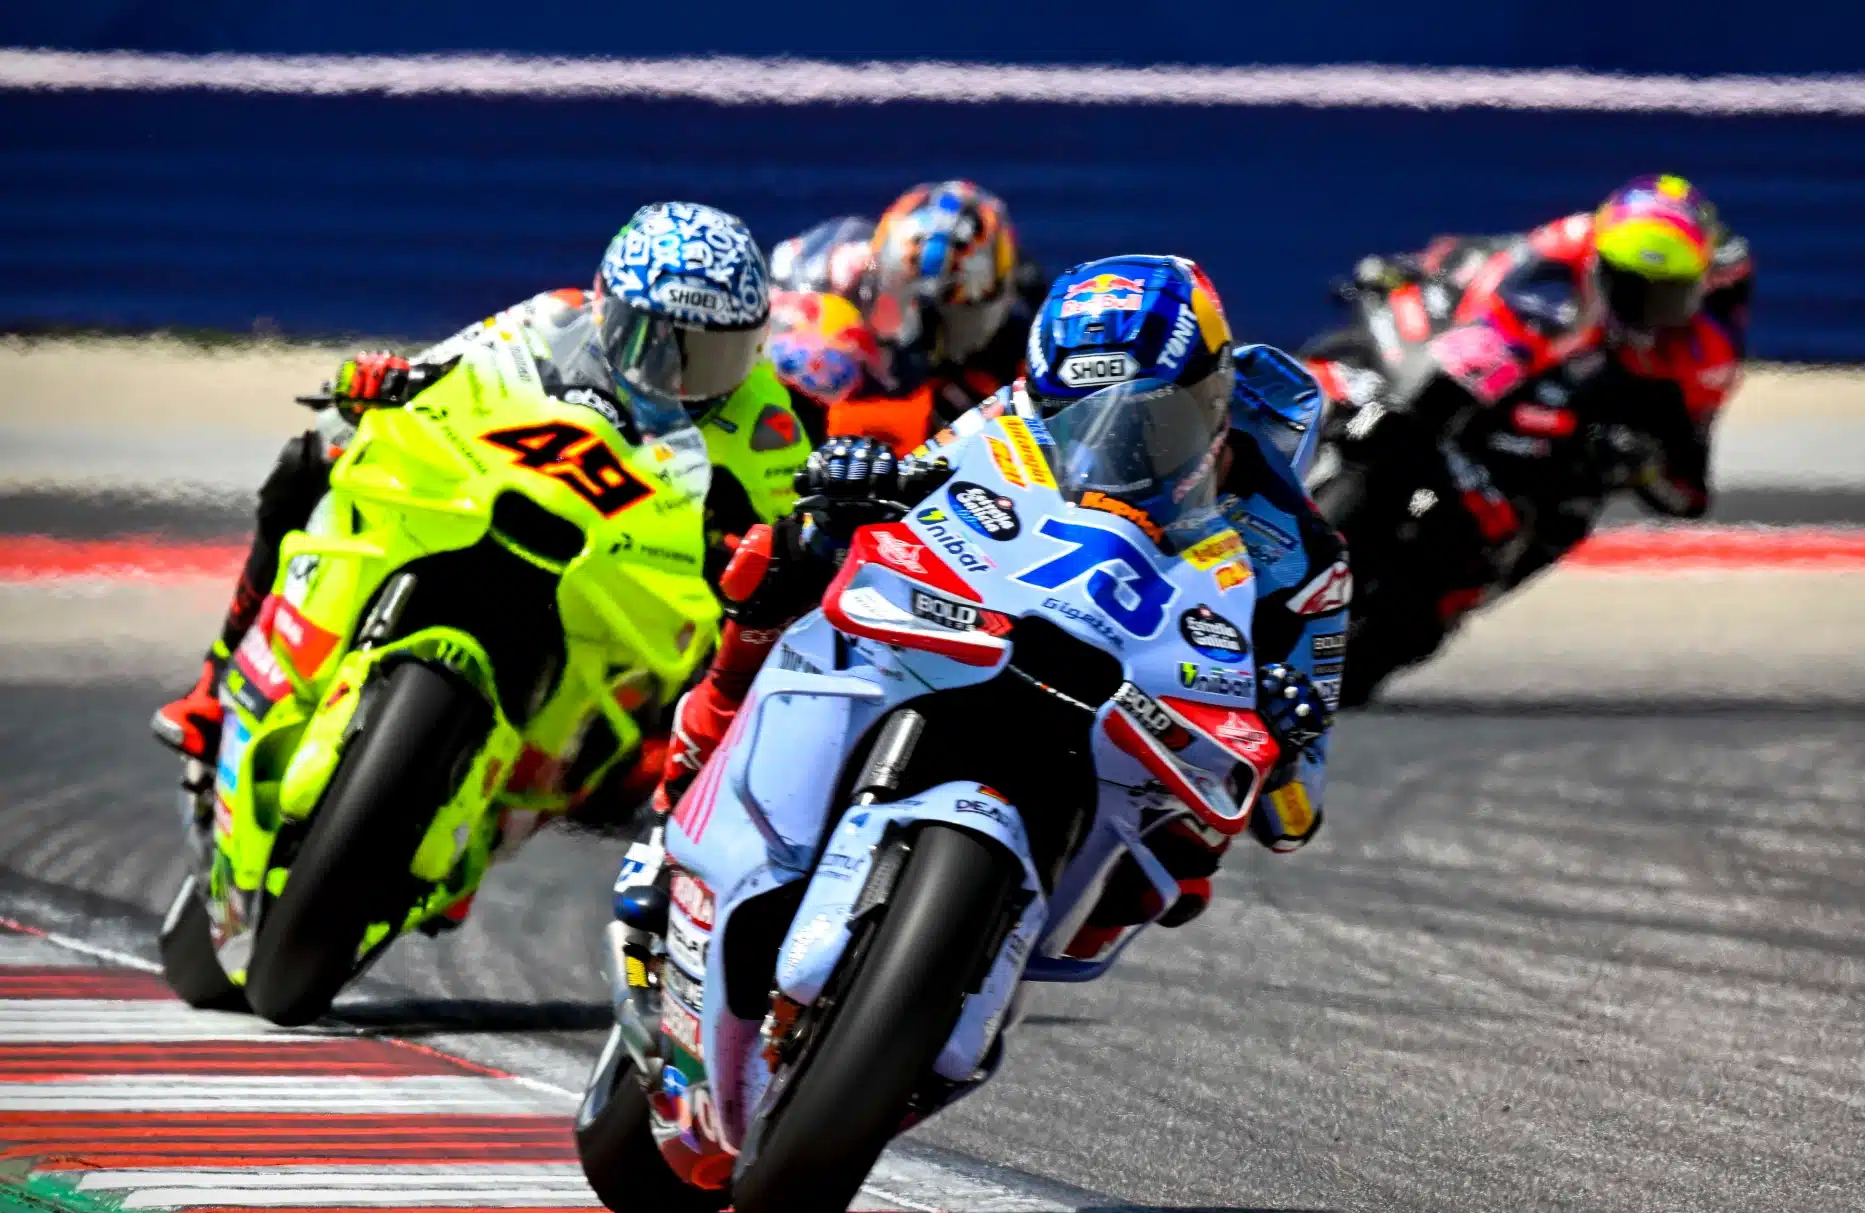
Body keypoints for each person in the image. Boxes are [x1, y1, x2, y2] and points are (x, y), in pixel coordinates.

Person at [641, 255, 1349, 957]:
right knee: (789, 552)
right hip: (1004, 622)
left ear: (1212, 398)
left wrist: (1285, 741)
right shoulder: (1016, 409)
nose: (1106, 443)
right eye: (1069, 418)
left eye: (1148, 420)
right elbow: (917, 481)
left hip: (1149, 701)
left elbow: (1295, 819)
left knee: (1188, 864)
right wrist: (855, 480)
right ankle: (676, 803)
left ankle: (996, 951)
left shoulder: (1301, 551)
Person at [151, 202, 812, 815]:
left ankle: (596, 788)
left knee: (709, 674)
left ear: (753, 347)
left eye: (713, 356)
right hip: (502, 495)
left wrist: (767, 556)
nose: (678, 374)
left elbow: (797, 535)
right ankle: (214, 681)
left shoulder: (767, 425)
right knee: (316, 452)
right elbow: (446, 368)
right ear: (604, 304)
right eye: (655, 341)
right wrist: (384, 382)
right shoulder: (554, 318)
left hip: (630, 577)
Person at [1321, 175, 1750, 697]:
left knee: (1532, 543)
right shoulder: (1553, 264)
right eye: (1632, 287)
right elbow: (1476, 298)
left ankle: (1429, 612)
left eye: (1665, 294)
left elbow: (1689, 493)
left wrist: (1636, 459)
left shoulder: (1703, 354)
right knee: (1363, 380)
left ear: (1701, 284)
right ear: (1599, 264)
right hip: (1480, 389)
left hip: (1552, 471)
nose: (1645, 306)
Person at [764, 180, 1046, 455]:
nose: (919, 324)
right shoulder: (832, 271)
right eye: (904, 294)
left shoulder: (1021, 345)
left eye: (944, 310)